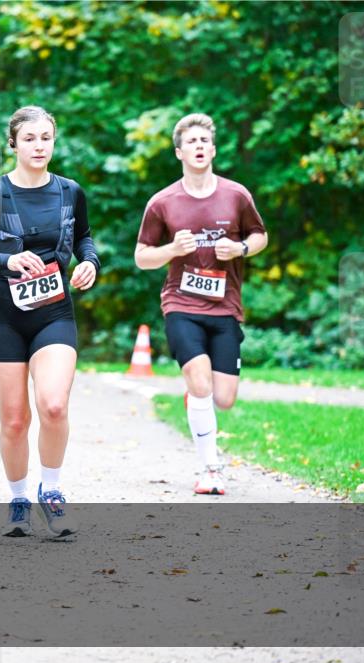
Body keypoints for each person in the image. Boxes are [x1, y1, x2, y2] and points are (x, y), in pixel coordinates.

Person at [0, 106, 99, 538]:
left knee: (54, 405)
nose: (40, 146)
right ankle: (18, 498)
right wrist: (7, 259)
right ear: (14, 144)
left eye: (46, 138)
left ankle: (52, 493)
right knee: (15, 421)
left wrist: (90, 262)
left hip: (54, 312)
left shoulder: (70, 191)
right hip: (2, 315)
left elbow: (83, 239)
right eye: (30, 139)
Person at [135, 113, 268, 496]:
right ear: (179, 152)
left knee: (223, 398)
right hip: (181, 303)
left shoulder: (236, 195)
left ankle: (197, 395)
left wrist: (240, 247)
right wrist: (171, 249)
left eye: (203, 141)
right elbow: (142, 257)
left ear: (212, 149)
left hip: (225, 307)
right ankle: (211, 468)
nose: (198, 147)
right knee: (200, 380)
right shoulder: (163, 202)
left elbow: (260, 235)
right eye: (190, 142)